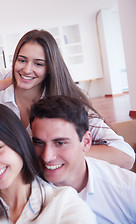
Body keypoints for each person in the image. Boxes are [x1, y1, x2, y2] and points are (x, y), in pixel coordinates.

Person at [0, 29, 134, 169]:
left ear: (50, 68)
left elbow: (126, 155)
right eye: (22, 60)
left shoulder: (67, 104)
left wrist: (64, 153)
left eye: (38, 63)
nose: (26, 69)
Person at [29, 95, 136, 223]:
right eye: (39, 143)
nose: (47, 157)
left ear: (86, 142)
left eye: (60, 143)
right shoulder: (24, 196)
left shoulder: (127, 189)